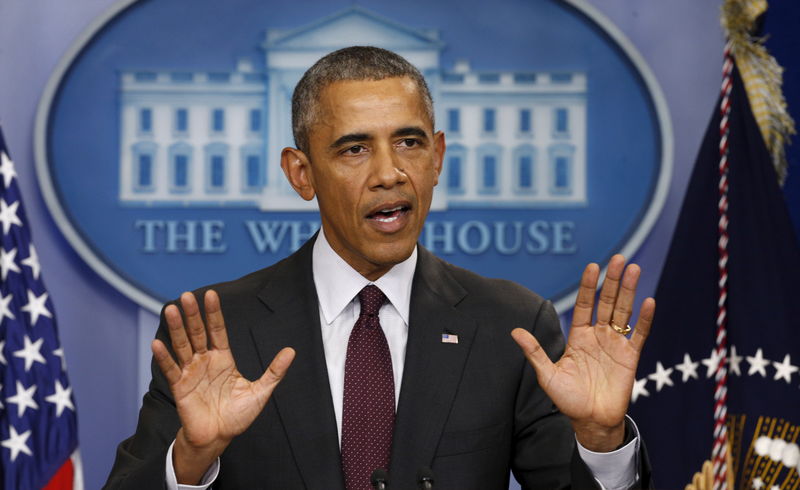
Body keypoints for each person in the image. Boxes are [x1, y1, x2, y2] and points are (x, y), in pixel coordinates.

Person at [105, 46, 655, 489]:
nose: (390, 173)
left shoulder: (510, 323)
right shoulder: (218, 328)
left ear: (437, 158)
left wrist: (602, 440)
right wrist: (192, 459)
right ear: (301, 173)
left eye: (409, 142)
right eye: (354, 150)